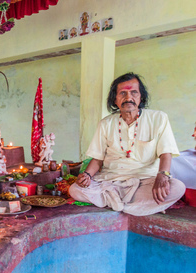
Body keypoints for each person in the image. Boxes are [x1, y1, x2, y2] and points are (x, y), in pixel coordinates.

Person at [69, 73, 185, 216]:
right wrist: (87, 175)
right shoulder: (106, 123)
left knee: (177, 188)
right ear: (115, 100)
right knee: (74, 190)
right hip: (110, 183)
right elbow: (98, 158)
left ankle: (117, 204)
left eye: (134, 92)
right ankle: (135, 207)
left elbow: (165, 152)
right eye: (122, 93)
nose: (128, 98)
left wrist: (163, 175)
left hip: (145, 182)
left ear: (141, 97)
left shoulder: (158, 118)